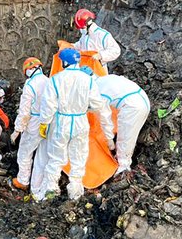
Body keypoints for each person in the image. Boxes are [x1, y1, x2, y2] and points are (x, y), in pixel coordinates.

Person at [35, 48, 114, 201]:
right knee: (79, 158)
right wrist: (86, 108)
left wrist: (44, 124)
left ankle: (50, 191)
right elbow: (98, 104)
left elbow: (48, 106)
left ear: (64, 62)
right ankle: (75, 194)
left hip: (61, 122)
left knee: (56, 158)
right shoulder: (88, 79)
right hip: (80, 122)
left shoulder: (56, 79)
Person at [96, 74, 150, 176]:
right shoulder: (106, 79)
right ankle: (124, 162)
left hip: (132, 107)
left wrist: (109, 140)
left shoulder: (98, 92)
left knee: (125, 138)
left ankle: (123, 169)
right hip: (143, 99)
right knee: (130, 136)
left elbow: (105, 119)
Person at [11, 57, 50, 191]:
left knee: (25, 153)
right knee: (43, 155)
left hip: (34, 122)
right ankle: (40, 186)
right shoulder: (49, 81)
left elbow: (24, 112)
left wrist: (17, 131)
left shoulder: (30, 85)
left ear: (28, 69)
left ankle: (23, 180)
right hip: (48, 121)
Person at [73, 8, 121, 73]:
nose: (81, 29)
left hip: (99, 69)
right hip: (85, 67)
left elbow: (116, 51)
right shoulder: (85, 34)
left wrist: (101, 55)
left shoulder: (102, 35)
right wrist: (72, 46)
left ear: (88, 24)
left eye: (82, 28)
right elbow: (81, 44)